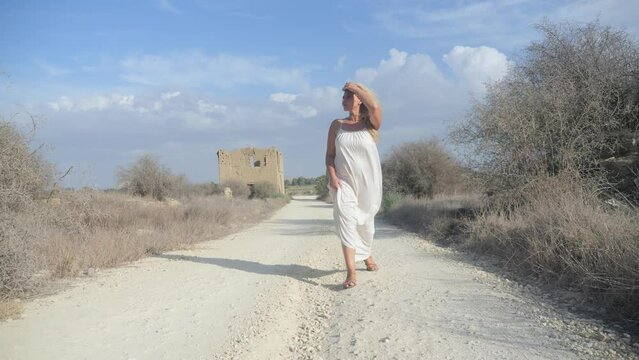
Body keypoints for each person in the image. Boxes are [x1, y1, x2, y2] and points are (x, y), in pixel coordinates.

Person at [325, 82, 383, 289]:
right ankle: (351, 272)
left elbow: (375, 107)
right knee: (346, 221)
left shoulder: (370, 124)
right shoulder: (336, 125)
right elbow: (330, 155)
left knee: (365, 223)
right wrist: (333, 177)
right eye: (343, 97)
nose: (344, 100)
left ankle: (366, 254)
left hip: (369, 182)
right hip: (344, 182)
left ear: (359, 99)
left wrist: (357, 88)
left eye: (348, 97)